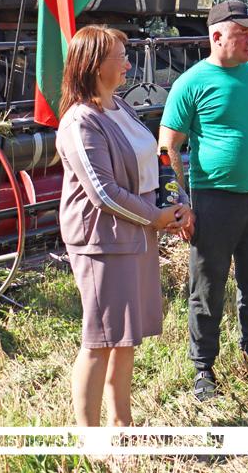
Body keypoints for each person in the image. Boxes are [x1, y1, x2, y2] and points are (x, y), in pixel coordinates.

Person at [56, 25, 191, 425]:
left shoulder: (120, 107)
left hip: (135, 235)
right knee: (100, 340)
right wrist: (156, 217)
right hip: (102, 243)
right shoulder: (81, 122)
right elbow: (104, 192)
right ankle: (92, 439)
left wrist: (176, 203)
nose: (129, 65)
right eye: (121, 57)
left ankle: (122, 425)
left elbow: (155, 160)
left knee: (125, 337)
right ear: (97, 65)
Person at [158, 0, 248, 401]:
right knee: (207, 289)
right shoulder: (191, 83)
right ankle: (204, 369)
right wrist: (180, 204)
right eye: (242, 33)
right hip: (213, 204)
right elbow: (167, 147)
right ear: (216, 36)